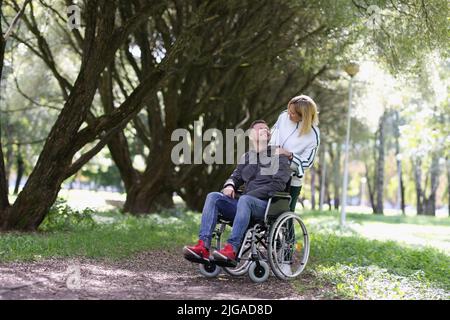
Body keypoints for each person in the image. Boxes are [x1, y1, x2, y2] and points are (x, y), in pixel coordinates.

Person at [183, 120, 292, 266]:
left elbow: (278, 185)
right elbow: (235, 177)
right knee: (213, 197)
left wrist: (250, 196)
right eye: (261, 129)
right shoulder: (247, 157)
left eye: (267, 129)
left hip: (265, 206)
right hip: (243, 205)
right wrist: (230, 185)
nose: (266, 130)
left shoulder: (279, 155)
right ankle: (203, 246)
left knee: (245, 200)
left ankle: (232, 249)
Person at [270, 95, 320, 212]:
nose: (288, 114)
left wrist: (289, 155)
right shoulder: (283, 116)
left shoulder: (313, 135)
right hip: (270, 171)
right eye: (289, 110)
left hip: (291, 181)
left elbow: (307, 162)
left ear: (304, 116)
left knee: (286, 216)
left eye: (292, 113)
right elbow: (274, 133)